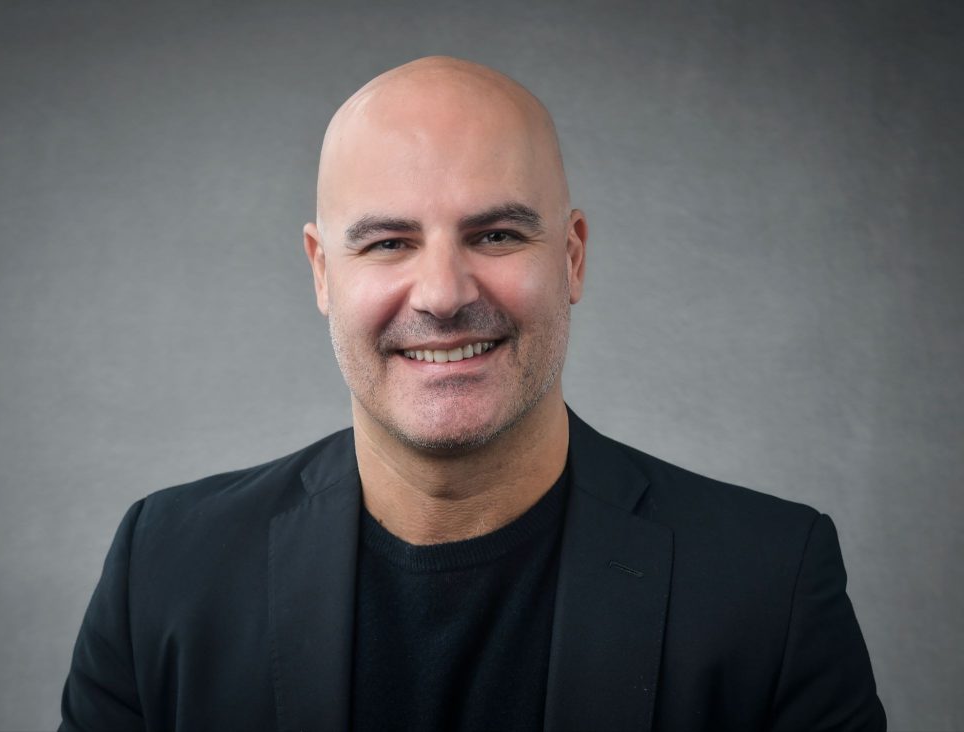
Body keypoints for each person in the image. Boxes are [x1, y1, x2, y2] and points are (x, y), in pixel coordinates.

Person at [59, 56, 885, 731]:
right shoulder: (162, 571)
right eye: (389, 242)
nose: (443, 294)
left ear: (572, 258)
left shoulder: (768, 586)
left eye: (495, 234)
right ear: (322, 273)